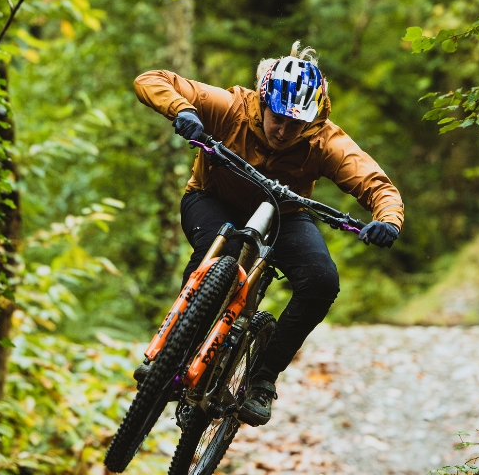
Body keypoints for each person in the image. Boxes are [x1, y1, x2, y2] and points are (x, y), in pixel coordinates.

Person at [132, 42, 404, 426]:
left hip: (283, 214)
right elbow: (152, 79)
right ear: (263, 101)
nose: (283, 130)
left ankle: (262, 379)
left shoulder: (325, 141)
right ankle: (173, 351)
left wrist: (388, 220)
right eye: (278, 117)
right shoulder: (230, 107)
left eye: (296, 124)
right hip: (213, 198)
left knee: (322, 280)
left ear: (312, 119)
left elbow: (377, 185)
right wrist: (183, 111)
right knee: (218, 250)